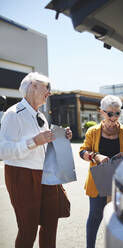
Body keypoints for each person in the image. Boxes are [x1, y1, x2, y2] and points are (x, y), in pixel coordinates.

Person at [0, 72, 72, 248]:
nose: (50, 92)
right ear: (32, 86)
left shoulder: (41, 116)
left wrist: (61, 137)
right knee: (28, 230)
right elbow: (3, 151)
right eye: (47, 87)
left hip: (46, 174)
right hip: (21, 176)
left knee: (50, 224)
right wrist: (34, 142)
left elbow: (43, 145)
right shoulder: (13, 113)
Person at [79, 95, 123, 248]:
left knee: (119, 218)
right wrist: (95, 156)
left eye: (117, 113)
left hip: (120, 182)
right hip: (99, 180)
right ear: (101, 113)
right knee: (95, 216)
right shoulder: (93, 131)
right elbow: (82, 151)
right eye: (110, 113)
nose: (114, 117)